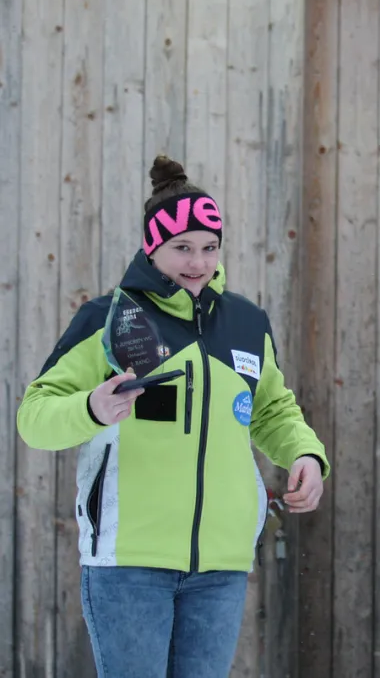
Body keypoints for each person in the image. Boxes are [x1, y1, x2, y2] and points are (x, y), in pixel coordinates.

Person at [17, 156, 330, 678]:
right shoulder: (110, 319)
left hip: (220, 566)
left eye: (209, 248)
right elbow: (35, 415)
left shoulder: (246, 324)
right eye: (182, 247)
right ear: (152, 247)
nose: (198, 263)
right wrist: (91, 408)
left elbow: (272, 409)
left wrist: (304, 453)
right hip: (129, 561)